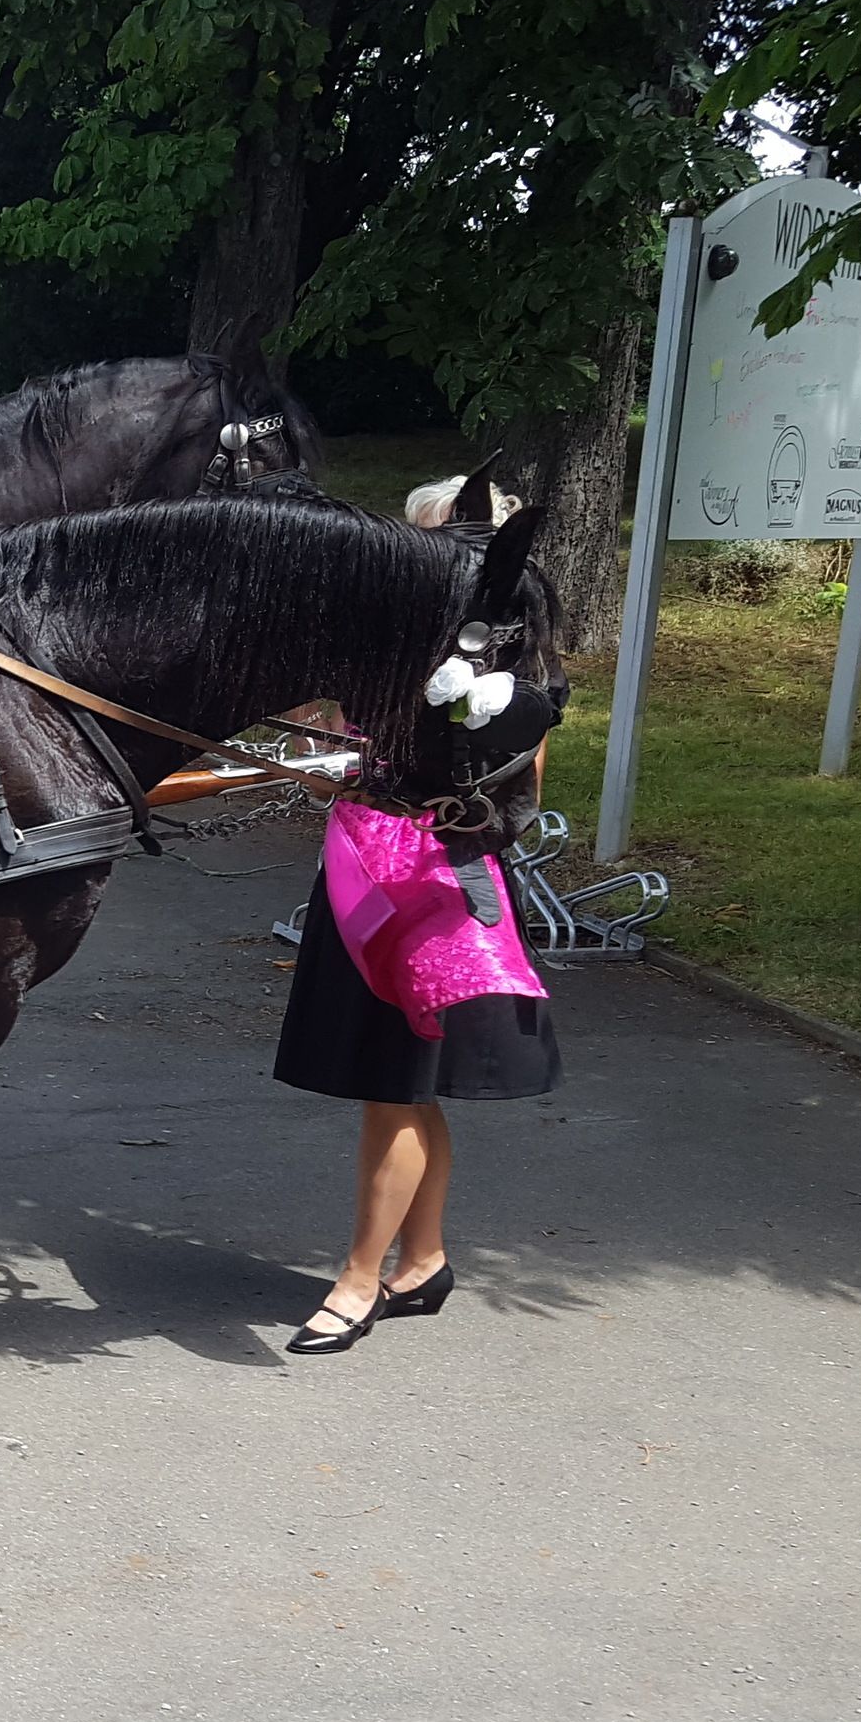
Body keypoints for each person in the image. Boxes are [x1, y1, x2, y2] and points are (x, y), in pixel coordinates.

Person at [273, 484, 561, 1355]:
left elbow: (521, 787)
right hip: (361, 870)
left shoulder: (506, 675)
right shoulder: (385, 649)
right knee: (402, 1085)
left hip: (428, 891)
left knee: (394, 1084)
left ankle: (361, 1279)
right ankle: (423, 1260)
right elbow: (318, 728)